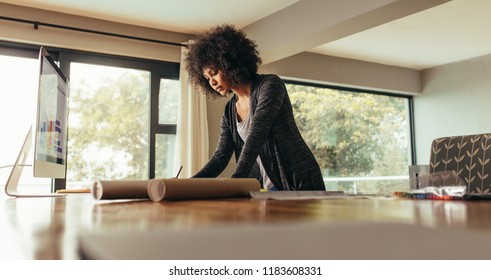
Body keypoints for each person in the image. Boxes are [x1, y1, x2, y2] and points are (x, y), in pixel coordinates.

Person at [185, 24, 325, 191]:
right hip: (271, 186)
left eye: (214, 72)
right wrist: (188, 183)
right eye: (207, 78)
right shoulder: (230, 111)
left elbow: (256, 135)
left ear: (230, 62)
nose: (212, 82)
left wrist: (236, 180)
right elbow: (220, 157)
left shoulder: (270, 85)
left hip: (300, 180)